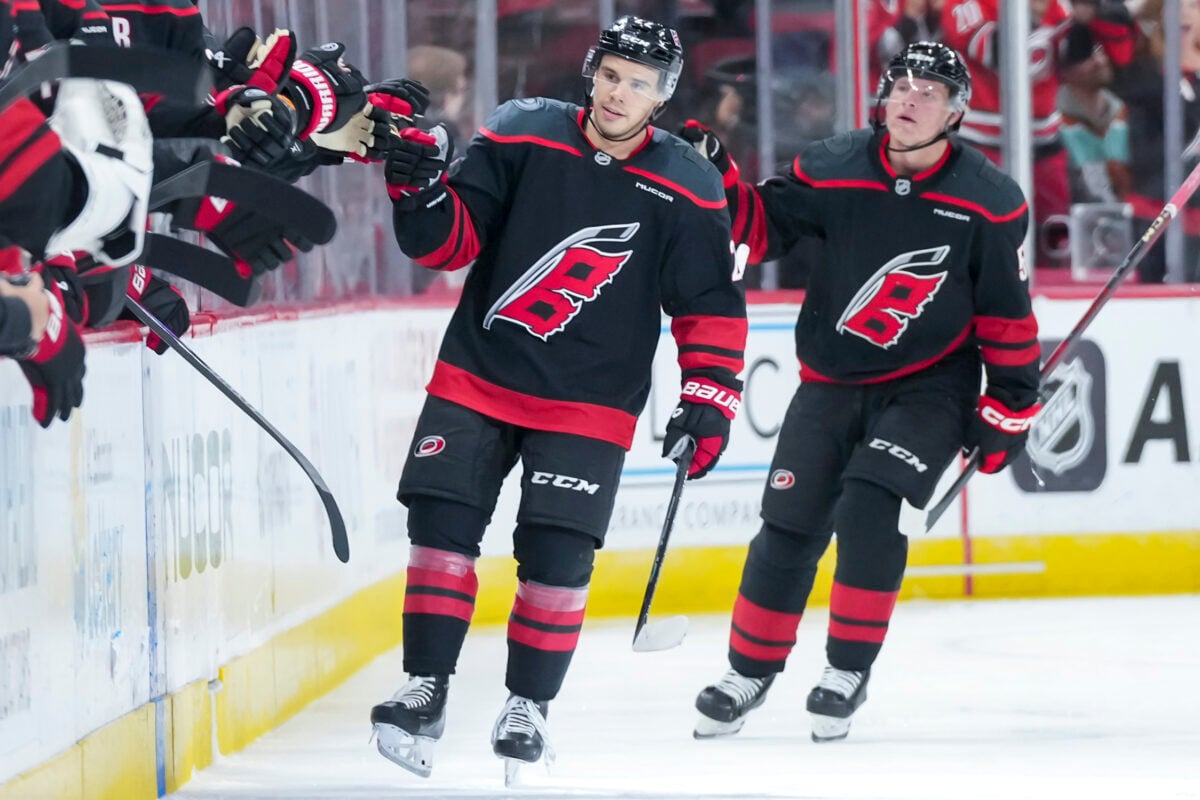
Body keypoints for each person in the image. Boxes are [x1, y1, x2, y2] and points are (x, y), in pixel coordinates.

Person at [368, 15, 747, 782]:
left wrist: (709, 393)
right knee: (440, 528)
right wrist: (417, 193)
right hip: (479, 375)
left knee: (556, 554)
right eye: (611, 74)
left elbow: (706, 301)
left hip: (590, 402)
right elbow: (450, 243)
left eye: (638, 83)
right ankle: (426, 688)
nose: (618, 93)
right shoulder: (522, 133)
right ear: (592, 72)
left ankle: (528, 709)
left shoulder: (687, 183)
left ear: (662, 96)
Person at [680, 41, 1040, 743]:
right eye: (900, 85)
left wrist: (1012, 404)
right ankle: (747, 671)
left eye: (929, 91)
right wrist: (721, 176)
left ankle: (846, 669)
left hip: (930, 387)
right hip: (830, 382)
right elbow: (760, 228)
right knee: (787, 522)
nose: (908, 98)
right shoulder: (832, 165)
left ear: (957, 113)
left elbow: (1006, 312)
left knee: (869, 507)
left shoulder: (990, 202)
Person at [1057, 22, 1131, 204]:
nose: (1100, 60)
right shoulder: (1054, 125)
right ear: (1063, 69)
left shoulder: (1125, 115)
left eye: (1100, 50)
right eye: (1086, 55)